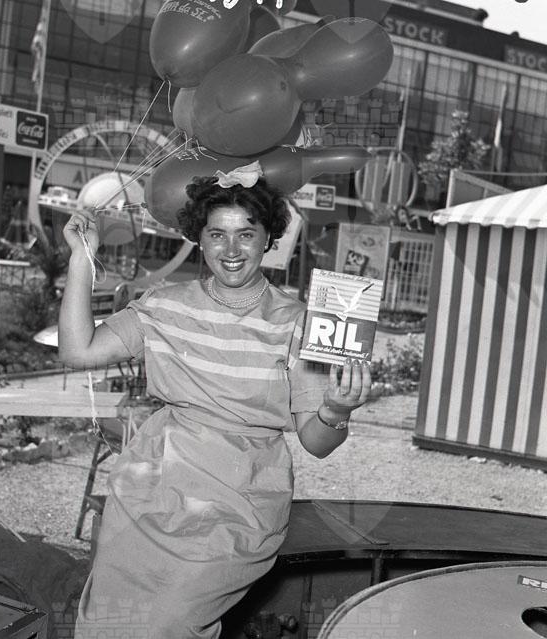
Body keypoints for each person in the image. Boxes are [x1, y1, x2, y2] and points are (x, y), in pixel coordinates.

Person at [59, 171, 372, 639]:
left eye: (246, 234)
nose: (231, 249)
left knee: (169, 624)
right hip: (152, 488)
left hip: (241, 501)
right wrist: (81, 258)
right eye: (217, 234)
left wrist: (336, 411)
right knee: (110, 619)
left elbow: (317, 442)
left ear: (269, 238)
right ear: (198, 238)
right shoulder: (163, 305)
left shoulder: (301, 324)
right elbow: (77, 350)